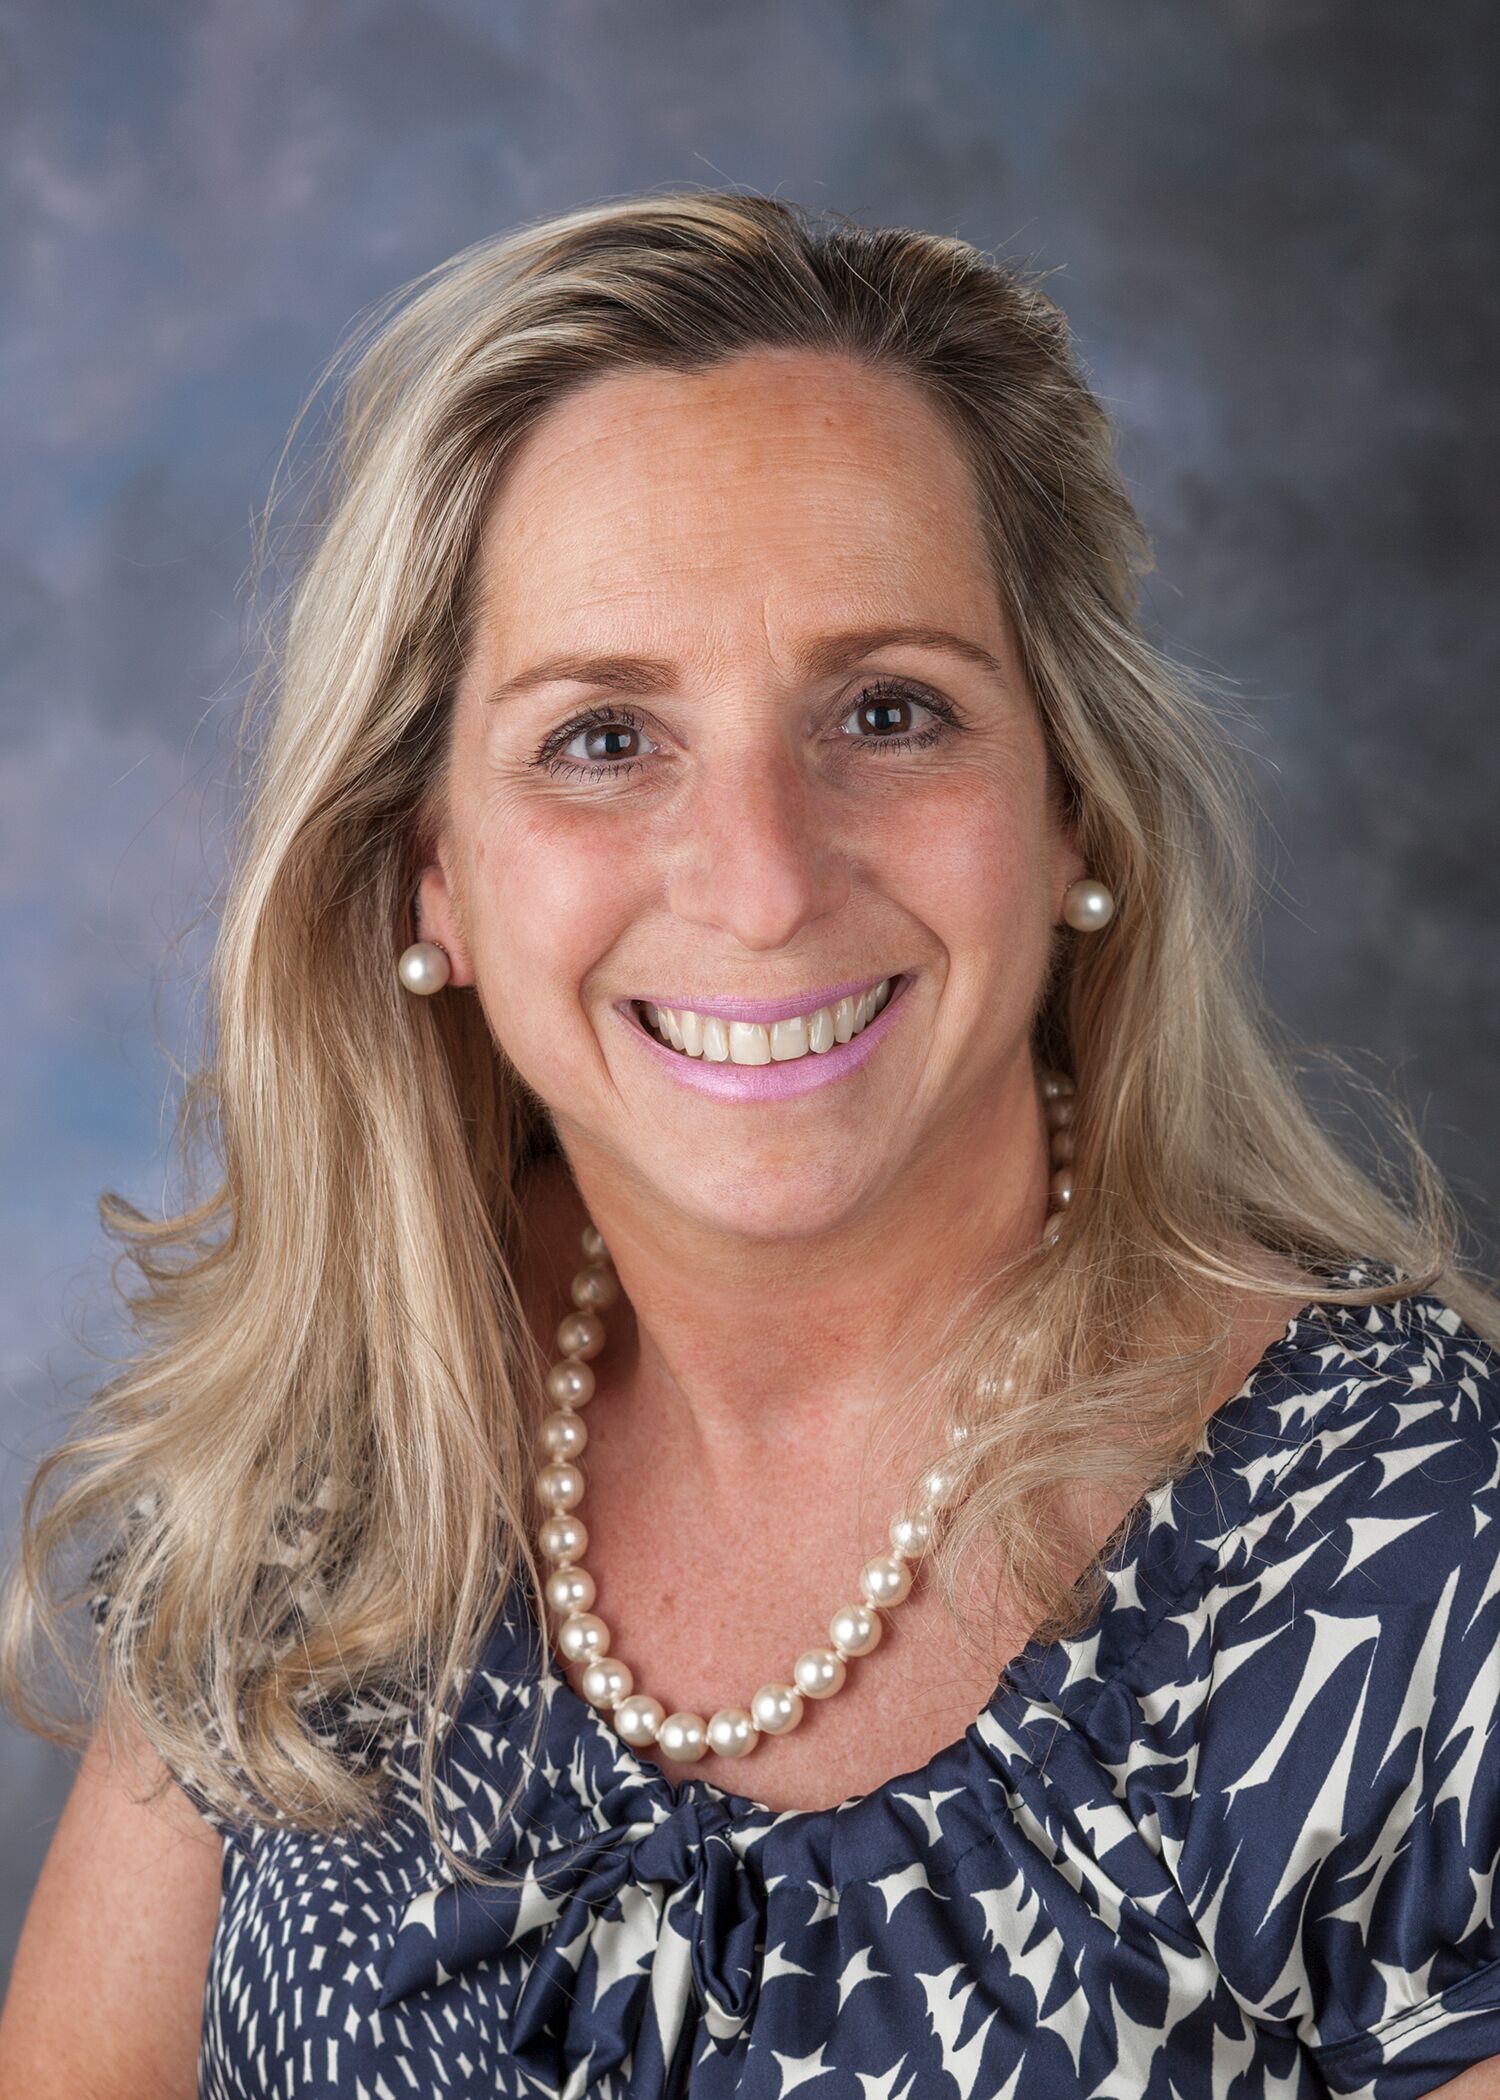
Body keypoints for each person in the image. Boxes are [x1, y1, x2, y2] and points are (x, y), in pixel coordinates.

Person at [1, 189, 1497, 2100]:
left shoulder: (1419, 1567)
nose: (764, 880)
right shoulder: (335, 1438)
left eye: (891, 710)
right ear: (430, 869)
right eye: (603, 738)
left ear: (1074, 812)